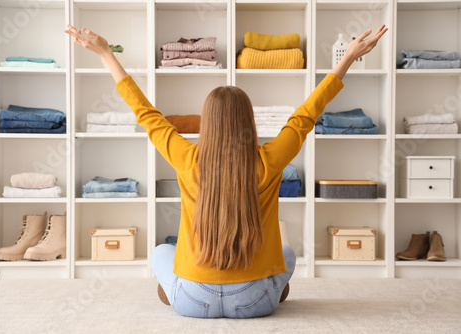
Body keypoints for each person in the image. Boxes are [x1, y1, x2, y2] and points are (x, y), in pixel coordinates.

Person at [65, 24, 387, 319]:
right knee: (287, 254)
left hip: (194, 298)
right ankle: (272, 289)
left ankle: (179, 289)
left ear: (208, 124)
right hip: (253, 301)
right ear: (249, 122)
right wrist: (347, 60)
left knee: (160, 253)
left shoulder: (187, 158)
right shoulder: (269, 160)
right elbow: (306, 115)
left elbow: (146, 115)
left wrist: (107, 53)